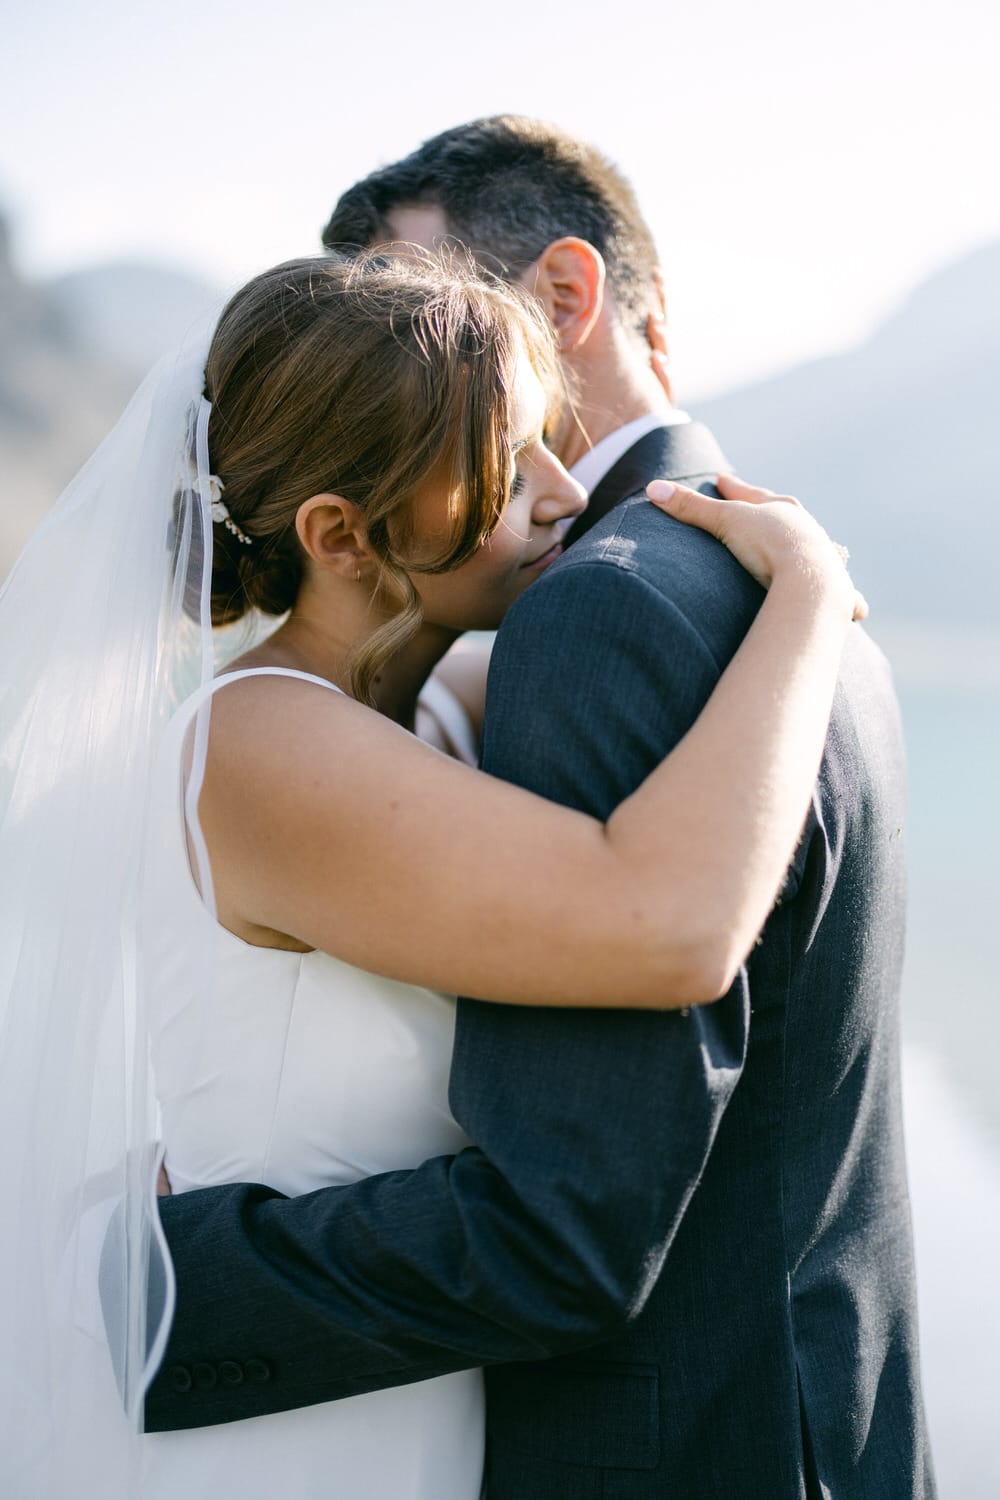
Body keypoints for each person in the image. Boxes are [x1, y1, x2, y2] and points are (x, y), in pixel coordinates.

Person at [148, 119, 935, 1499]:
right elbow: (661, 927)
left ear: (565, 298)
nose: (561, 490)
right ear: (344, 529)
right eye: (508, 454)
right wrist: (126, 1296)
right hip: (378, 1424)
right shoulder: (729, 590)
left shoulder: (585, 619)